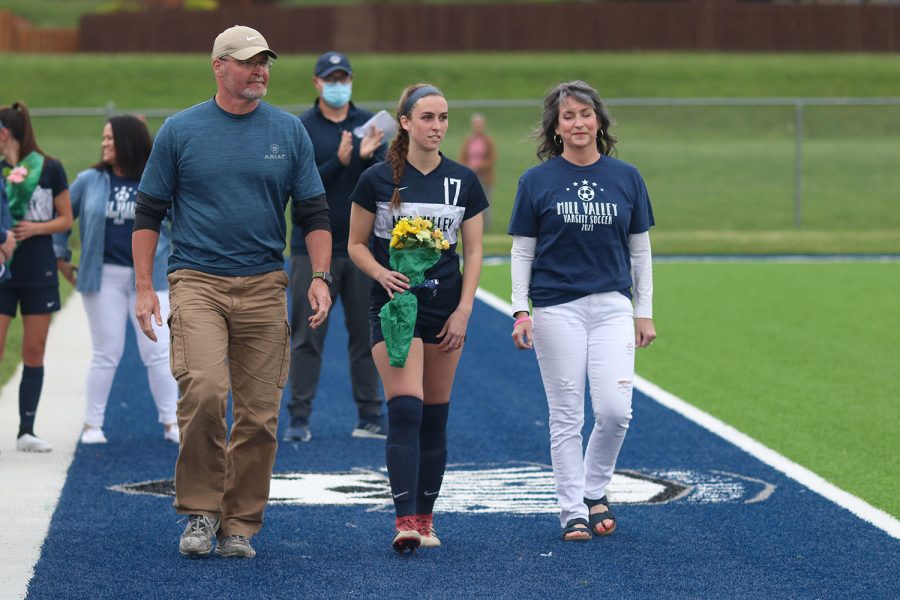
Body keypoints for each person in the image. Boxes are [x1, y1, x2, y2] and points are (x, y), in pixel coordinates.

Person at [133, 25, 332, 559]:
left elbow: (313, 211)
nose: (260, 71)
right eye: (248, 62)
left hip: (266, 285)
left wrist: (320, 275)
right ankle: (201, 510)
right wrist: (144, 289)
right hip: (197, 281)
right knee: (202, 391)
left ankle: (240, 522)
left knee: (261, 414)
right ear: (219, 65)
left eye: (265, 62)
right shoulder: (180, 131)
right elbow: (149, 211)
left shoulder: (289, 131)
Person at [508, 81, 656, 541]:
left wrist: (643, 310)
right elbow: (522, 252)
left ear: (599, 121)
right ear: (555, 127)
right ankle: (572, 510)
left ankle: (595, 489)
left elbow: (641, 250)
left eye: (585, 114)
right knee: (567, 415)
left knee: (615, 411)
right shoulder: (536, 182)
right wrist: (520, 310)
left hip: (613, 306)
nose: (578, 123)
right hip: (556, 309)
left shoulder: (627, 177)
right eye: (568, 116)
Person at [348, 83, 487, 552]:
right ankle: (404, 520)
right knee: (405, 408)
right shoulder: (375, 180)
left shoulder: (463, 181)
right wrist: (382, 273)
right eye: (427, 117)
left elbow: (473, 251)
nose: (437, 126)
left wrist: (464, 311)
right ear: (404, 122)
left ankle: (426, 520)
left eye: (443, 117)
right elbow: (354, 245)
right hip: (394, 312)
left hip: (445, 313)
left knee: (434, 418)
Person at [54, 115, 179, 445]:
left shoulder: (158, 179)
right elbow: (63, 217)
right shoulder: (89, 180)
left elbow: (181, 221)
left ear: (127, 142)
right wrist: (61, 258)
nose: (104, 143)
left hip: (152, 279)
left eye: (110, 138)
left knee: (158, 350)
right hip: (104, 278)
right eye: (103, 138)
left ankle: (172, 421)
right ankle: (92, 425)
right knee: (106, 352)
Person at [284, 51, 387, 443]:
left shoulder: (368, 125)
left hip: (363, 250)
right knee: (307, 338)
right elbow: (299, 188)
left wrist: (367, 156)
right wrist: (341, 161)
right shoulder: (301, 129)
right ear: (317, 83)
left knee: (366, 335)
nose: (338, 84)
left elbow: (385, 181)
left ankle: (370, 414)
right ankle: (298, 418)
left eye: (344, 77)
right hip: (310, 252)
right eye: (331, 78)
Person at [0, 101, 73, 453]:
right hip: (3, 271)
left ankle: (26, 430)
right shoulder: (0, 171)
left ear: (4, 134)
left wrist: (35, 227)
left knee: (34, 350)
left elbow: (66, 220)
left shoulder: (50, 168)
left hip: (39, 270)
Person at [458, 113, 496, 232]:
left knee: (484, 203)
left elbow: (492, 158)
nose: (478, 127)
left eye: (480, 124)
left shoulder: (488, 140)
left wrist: (479, 166)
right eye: (476, 124)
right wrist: (468, 168)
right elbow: (462, 157)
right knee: (468, 202)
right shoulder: (468, 140)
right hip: (470, 177)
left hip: (483, 176)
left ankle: (485, 228)